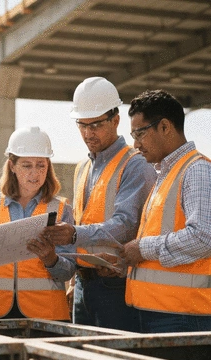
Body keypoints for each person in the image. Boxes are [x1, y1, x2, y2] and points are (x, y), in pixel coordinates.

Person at [43, 77, 157, 332]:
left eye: (95, 124)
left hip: (116, 285)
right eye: (81, 125)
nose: (87, 133)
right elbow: (84, 220)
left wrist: (73, 234)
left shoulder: (135, 164)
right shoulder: (83, 167)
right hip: (84, 284)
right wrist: (74, 281)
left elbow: (126, 224)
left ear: (116, 120)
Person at [0, 126, 76, 321]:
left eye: (41, 165)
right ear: (12, 165)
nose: (35, 173)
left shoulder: (61, 209)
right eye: (27, 165)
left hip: (45, 316)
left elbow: (68, 271)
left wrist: (51, 259)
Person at [122, 89, 211, 333]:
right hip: (161, 312)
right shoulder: (167, 174)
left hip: (185, 316)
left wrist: (142, 248)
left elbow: (204, 236)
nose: (136, 143)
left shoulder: (197, 170)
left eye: (140, 133)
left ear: (164, 127)